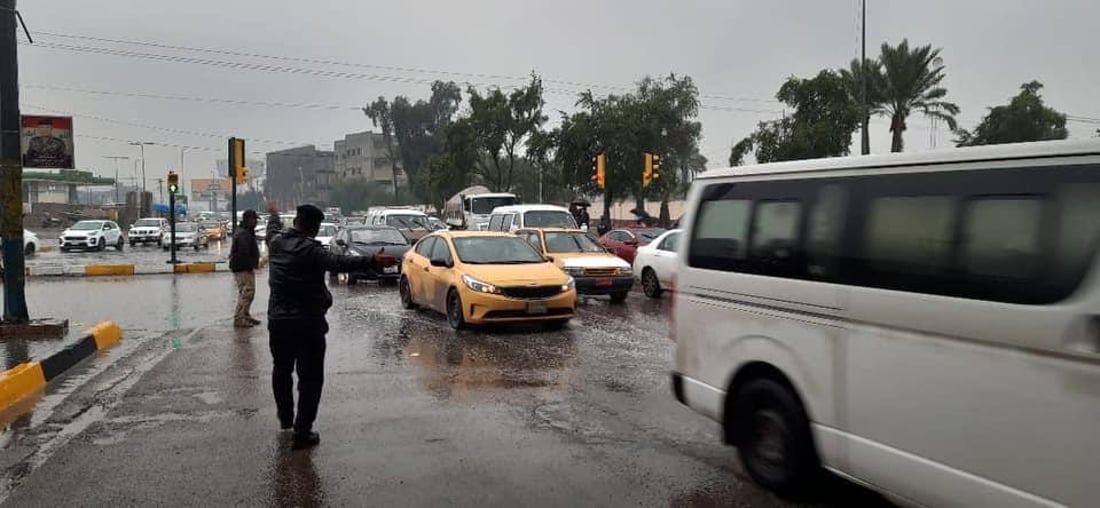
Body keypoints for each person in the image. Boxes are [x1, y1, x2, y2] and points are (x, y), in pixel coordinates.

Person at [267, 204, 374, 450]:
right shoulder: (311, 250)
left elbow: (272, 230)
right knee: (311, 378)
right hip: (307, 322)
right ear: (312, 226)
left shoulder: (276, 244)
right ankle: (302, 432)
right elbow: (338, 262)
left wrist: (273, 214)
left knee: (281, 370)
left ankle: (286, 419)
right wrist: (372, 261)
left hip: (279, 321)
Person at [229, 209, 261, 328]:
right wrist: (251, 264)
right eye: (254, 220)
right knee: (246, 293)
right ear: (248, 220)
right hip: (242, 267)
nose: (256, 222)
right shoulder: (243, 233)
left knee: (249, 292)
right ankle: (239, 318)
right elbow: (244, 252)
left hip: (244, 266)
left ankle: (245, 315)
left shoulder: (246, 231)